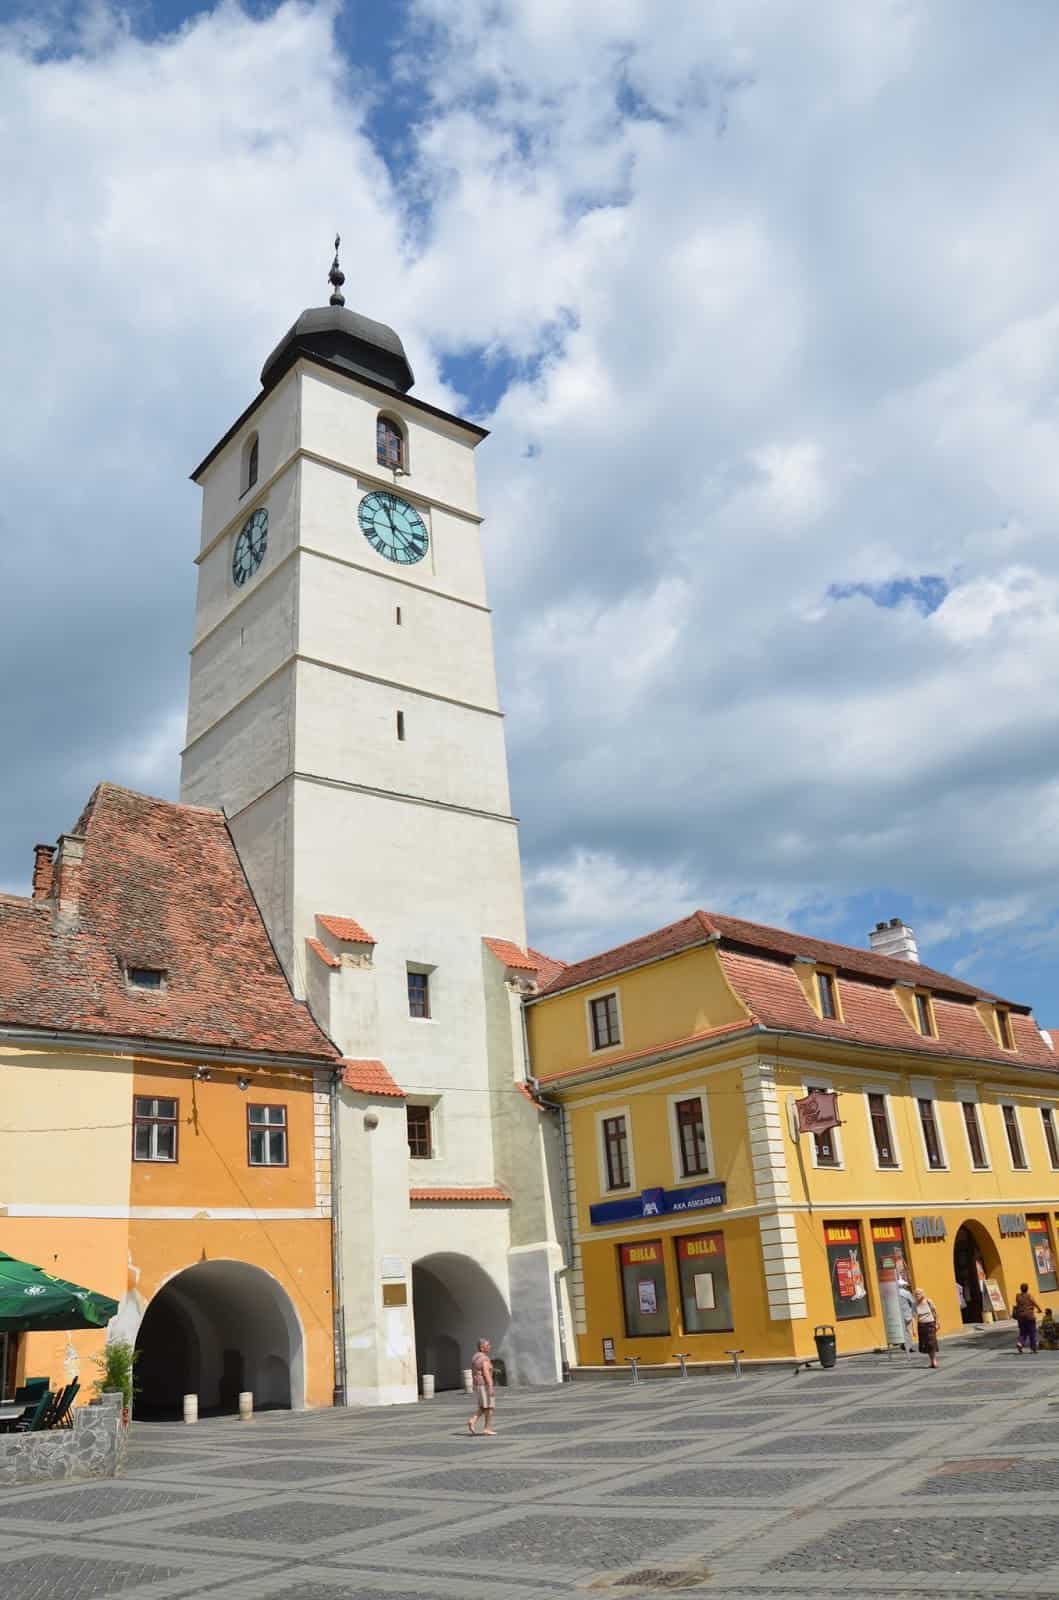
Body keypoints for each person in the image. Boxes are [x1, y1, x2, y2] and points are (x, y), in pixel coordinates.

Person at [467, 1337, 496, 1436]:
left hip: (478, 1385)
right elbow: (486, 1372)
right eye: (488, 1345)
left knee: (483, 1406)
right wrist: (491, 1386)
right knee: (490, 1407)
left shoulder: (475, 1357)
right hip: (484, 1385)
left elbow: (475, 1371)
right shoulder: (484, 1358)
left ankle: (473, 1420)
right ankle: (487, 1428)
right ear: (482, 1347)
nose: (490, 1347)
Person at [914, 1287, 940, 1369]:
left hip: (930, 1324)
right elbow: (913, 1317)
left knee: (931, 1342)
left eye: (919, 1293)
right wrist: (913, 1329)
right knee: (926, 1344)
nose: (917, 1295)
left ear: (923, 1294)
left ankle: (934, 1361)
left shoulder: (929, 1301)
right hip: (921, 1325)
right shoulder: (914, 1304)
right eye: (916, 1294)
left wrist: (937, 1323)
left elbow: (935, 1312)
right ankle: (931, 1361)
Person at [1013, 1283, 1042, 1354]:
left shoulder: (1017, 1296)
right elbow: (1034, 1303)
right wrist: (1039, 1309)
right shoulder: (1029, 1296)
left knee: (1023, 1332)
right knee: (1032, 1332)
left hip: (1020, 1316)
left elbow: (1018, 1304)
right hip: (1029, 1316)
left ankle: (1020, 1343)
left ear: (1021, 1289)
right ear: (1027, 1289)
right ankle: (1033, 1349)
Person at [897, 1279, 917, 1353]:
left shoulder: (894, 1293)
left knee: (902, 1330)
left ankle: (903, 1343)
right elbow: (913, 1302)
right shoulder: (906, 1293)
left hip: (898, 1314)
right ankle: (909, 1346)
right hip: (906, 1314)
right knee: (908, 1330)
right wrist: (914, 1313)